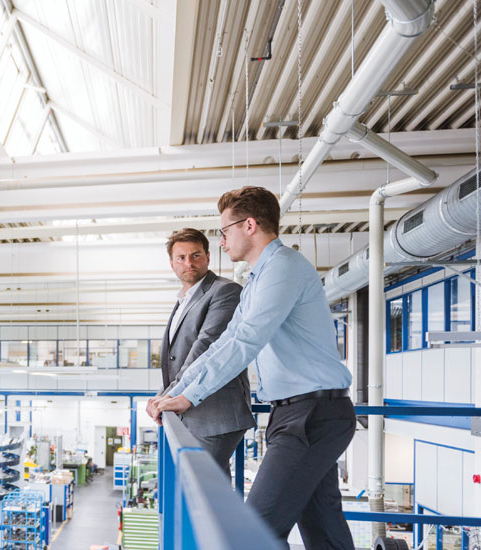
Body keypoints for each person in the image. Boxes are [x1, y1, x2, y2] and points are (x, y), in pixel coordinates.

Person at [149, 186, 355, 550]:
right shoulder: (258, 278)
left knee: (254, 534)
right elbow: (225, 343)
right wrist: (176, 394)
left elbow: (247, 340)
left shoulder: (283, 269)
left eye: (224, 231)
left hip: (312, 416)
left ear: (249, 225)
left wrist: (189, 396)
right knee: (324, 530)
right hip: (298, 414)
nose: (223, 242)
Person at [150, 228, 254, 475]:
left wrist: (167, 396)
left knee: (203, 494)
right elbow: (175, 360)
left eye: (195, 255)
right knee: (203, 491)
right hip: (195, 413)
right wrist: (162, 395)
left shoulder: (224, 291)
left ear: (208, 256)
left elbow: (205, 347)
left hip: (215, 415)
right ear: (172, 264)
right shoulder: (183, 300)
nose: (188, 263)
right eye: (181, 258)